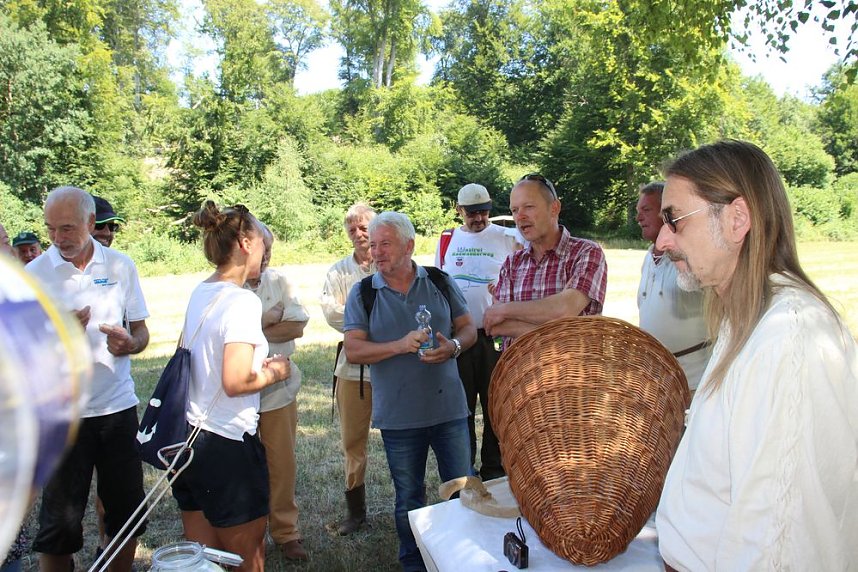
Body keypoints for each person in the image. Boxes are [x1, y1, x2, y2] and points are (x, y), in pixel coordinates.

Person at [654, 140, 858, 570]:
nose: (660, 241)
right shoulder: (746, 321)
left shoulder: (790, 336)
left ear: (737, 218)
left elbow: (781, 541)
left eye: (673, 220)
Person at [343, 211, 476, 571]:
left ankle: (463, 558)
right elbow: (354, 350)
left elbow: (468, 329)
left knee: (463, 491)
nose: (377, 252)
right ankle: (414, 562)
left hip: (449, 410)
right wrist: (400, 345)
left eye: (385, 243)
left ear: (409, 246)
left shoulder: (440, 281)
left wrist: (455, 348)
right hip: (400, 417)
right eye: (373, 245)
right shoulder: (364, 293)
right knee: (409, 499)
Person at [26, 186, 150, 572]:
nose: (57, 238)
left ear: (91, 222)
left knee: (125, 515)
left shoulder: (120, 266)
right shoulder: (34, 275)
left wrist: (130, 343)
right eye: (50, 229)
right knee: (59, 525)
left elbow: (142, 334)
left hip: (117, 408)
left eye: (66, 228)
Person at [169, 202, 289, 572]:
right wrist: (277, 372)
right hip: (227, 443)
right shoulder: (241, 302)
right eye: (263, 243)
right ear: (245, 243)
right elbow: (236, 381)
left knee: (203, 559)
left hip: (188, 440)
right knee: (245, 558)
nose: (266, 252)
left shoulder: (200, 291)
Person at [434, 183, 519, 481]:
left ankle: (495, 471)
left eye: (483, 211)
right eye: (472, 213)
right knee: (463, 408)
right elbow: (437, 285)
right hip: (459, 338)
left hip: (495, 337)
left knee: (495, 406)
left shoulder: (507, 238)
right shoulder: (447, 240)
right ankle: (464, 470)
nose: (479, 218)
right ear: (459, 211)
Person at [483, 174, 608, 346]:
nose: (520, 217)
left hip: (573, 371)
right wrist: (564, 332)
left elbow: (565, 309)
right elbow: (497, 326)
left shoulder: (585, 252)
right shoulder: (512, 263)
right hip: (521, 371)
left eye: (528, 207)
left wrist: (505, 310)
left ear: (554, 208)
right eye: (514, 210)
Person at [246, 224, 310, 561]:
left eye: (270, 247)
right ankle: (246, 535)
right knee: (241, 466)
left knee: (281, 464)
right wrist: (267, 320)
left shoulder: (279, 280)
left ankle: (287, 533)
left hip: (278, 391)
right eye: (261, 248)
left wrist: (254, 327)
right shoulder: (228, 286)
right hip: (237, 392)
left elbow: (297, 325)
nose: (266, 255)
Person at [320, 202, 377, 535]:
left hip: (392, 365)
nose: (358, 234)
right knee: (353, 442)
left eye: (364, 227)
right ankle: (356, 513)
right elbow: (331, 313)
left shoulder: (391, 265)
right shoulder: (339, 271)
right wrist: (373, 322)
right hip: (353, 371)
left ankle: (409, 505)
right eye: (352, 229)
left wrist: (356, 319)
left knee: (406, 437)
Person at [635, 182, 710, 392]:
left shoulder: (689, 258)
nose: (638, 218)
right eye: (638, 211)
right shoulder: (648, 259)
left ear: (667, 213)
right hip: (657, 379)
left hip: (694, 380)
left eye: (646, 210)